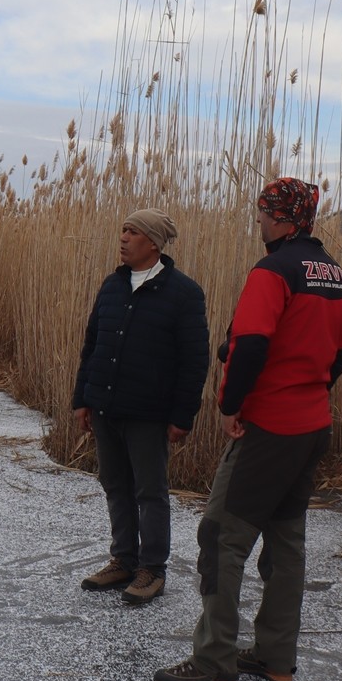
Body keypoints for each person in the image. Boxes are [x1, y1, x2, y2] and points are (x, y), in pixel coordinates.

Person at [154, 178, 342, 681]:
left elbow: (250, 344)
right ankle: (275, 658)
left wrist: (231, 406)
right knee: (286, 543)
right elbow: (339, 357)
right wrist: (307, 389)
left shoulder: (273, 270)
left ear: (283, 219)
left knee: (221, 537)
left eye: (263, 212)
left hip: (270, 426)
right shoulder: (335, 275)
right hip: (313, 424)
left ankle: (214, 662)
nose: (258, 220)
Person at [73, 208, 209, 605]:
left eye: (132, 231)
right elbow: (92, 345)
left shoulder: (183, 293)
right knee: (115, 485)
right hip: (106, 407)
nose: (123, 237)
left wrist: (182, 415)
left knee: (150, 491)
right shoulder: (112, 285)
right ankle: (123, 560)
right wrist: (83, 398)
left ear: (153, 243)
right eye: (123, 229)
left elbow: (194, 360)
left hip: (148, 413)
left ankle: (152, 568)